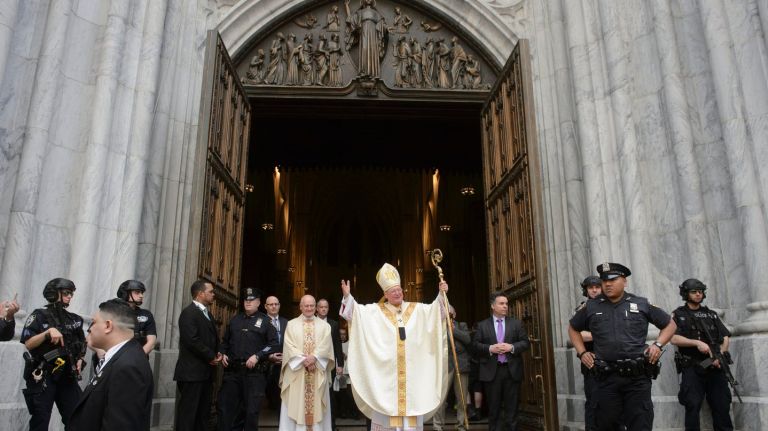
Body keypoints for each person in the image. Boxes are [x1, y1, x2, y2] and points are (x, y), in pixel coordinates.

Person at [339, 262, 449, 430]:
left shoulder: (416, 309)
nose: (398, 293)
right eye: (393, 291)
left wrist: (442, 294)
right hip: (386, 379)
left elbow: (436, 312)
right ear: (385, 294)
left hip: (412, 377)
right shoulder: (375, 311)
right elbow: (355, 313)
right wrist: (347, 297)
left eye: (399, 290)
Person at [569, 262, 677, 431]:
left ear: (624, 281)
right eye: (604, 280)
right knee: (606, 425)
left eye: (613, 280)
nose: (607, 284)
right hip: (606, 380)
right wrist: (582, 353)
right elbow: (573, 328)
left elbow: (670, 324)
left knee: (640, 425)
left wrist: (657, 344)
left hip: (636, 380)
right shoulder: (591, 306)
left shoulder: (640, 303)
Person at [67, 299, 153, 430]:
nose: (89, 329)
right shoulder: (120, 357)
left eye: (93, 323)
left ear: (108, 326)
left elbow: (120, 425)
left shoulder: (129, 366)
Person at [20, 278, 86, 431]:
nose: (70, 296)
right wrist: (47, 333)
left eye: (71, 293)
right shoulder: (39, 315)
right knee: (40, 420)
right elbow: (28, 343)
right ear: (54, 293)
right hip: (44, 375)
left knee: (77, 418)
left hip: (67, 376)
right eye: (66, 293)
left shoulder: (75, 319)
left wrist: (80, 359)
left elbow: (82, 344)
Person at [671, 278, 734, 431]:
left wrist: (720, 355)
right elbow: (672, 338)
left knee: (722, 404)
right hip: (693, 367)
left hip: (715, 367)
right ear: (686, 293)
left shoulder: (711, 314)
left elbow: (725, 337)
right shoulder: (678, 314)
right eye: (694, 292)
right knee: (692, 404)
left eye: (700, 292)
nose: (698, 294)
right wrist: (696, 343)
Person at [217, 287, 279, 431]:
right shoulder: (235, 320)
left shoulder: (265, 321)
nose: (248, 302)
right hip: (233, 373)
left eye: (252, 300)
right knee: (228, 410)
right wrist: (223, 352)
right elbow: (225, 342)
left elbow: (273, 344)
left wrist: (258, 356)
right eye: (246, 300)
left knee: (251, 412)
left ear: (258, 303)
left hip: (254, 375)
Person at [472, 292, 530, 431]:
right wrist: (490, 348)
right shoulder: (482, 325)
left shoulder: (516, 324)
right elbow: (474, 345)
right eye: (501, 303)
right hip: (492, 373)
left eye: (506, 304)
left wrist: (512, 347)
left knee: (512, 410)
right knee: (494, 411)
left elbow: (525, 343)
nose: (505, 306)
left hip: (511, 372)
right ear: (493, 306)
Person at [279, 295, 335, 430]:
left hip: (317, 372)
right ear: (301, 307)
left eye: (312, 306)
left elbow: (326, 345)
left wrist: (314, 357)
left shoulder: (325, 326)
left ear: (315, 307)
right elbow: (289, 346)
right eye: (306, 305)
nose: (309, 308)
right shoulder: (291, 324)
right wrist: (303, 360)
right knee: (295, 404)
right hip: (297, 373)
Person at [173, 279, 222, 431]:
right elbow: (191, 340)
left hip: (205, 373)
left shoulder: (207, 313)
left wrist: (218, 351)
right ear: (200, 294)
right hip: (191, 373)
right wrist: (211, 356)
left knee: (203, 413)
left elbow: (211, 337)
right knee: (189, 413)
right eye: (211, 292)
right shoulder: (189, 313)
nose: (214, 294)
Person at [432, 306, 472, 431]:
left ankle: (461, 426)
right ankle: (438, 427)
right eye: (443, 312)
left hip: (461, 365)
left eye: (449, 312)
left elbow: (467, 340)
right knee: (441, 399)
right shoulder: (436, 327)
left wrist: (453, 330)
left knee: (462, 399)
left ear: (454, 314)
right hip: (445, 366)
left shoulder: (462, 325)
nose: (446, 313)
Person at [576, 275, 603, 431]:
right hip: (591, 361)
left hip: (612, 360)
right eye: (591, 288)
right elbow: (577, 334)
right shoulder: (583, 309)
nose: (594, 290)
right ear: (586, 290)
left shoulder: (610, 306)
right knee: (593, 402)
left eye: (597, 287)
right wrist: (601, 334)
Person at [317, 298, 345, 428]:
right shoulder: (311, 322)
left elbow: (337, 345)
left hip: (330, 365)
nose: (323, 309)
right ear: (317, 308)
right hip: (315, 364)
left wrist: (340, 365)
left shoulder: (333, 324)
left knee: (330, 395)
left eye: (326, 307)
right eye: (321, 307)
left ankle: (331, 425)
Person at [344, 0, 388, 78]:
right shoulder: (360, 12)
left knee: (373, 50)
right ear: (363, 1)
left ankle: (373, 73)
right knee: (364, 49)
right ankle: (363, 71)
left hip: (373, 34)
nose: (368, 0)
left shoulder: (376, 13)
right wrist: (346, 6)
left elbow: (382, 25)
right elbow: (351, 20)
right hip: (364, 34)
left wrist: (387, 29)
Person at [116, 279, 157, 355]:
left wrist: (137, 357)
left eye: (141, 292)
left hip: (138, 357)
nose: (141, 296)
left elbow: (151, 342)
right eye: (137, 292)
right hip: (113, 360)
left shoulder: (146, 315)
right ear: (126, 293)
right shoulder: (111, 312)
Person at [265, 295, 288, 410]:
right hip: (266, 363)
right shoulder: (261, 321)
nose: (273, 306)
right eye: (270, 304)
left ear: (279, 306)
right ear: (265, 306)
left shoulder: (287, 322)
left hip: (284, 363)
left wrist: (287, 356)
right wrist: (269, 356)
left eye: (276, 304)